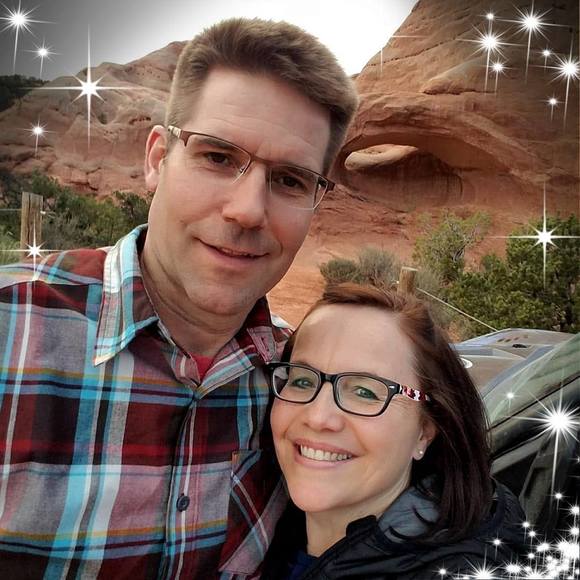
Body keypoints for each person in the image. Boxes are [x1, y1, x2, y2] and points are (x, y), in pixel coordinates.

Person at [0, 18, 358, 579]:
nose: (247, 210)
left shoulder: (302, 390)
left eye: (290, 180)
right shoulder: (11, 327)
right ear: (156, 158)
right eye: (217, 157)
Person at [262, 283, 527, 579]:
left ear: (425, 431)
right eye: (302, 381)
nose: (317, 417)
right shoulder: (262, 532)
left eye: (364, 392)